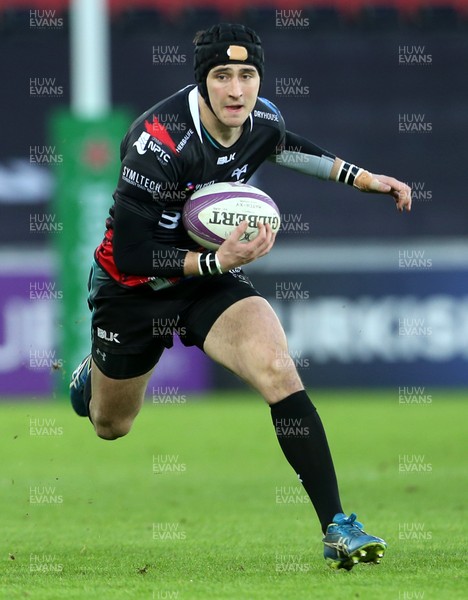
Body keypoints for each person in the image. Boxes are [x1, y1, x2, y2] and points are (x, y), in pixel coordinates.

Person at [70, 23, 411, 570]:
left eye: (247, 75)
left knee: (278, 369)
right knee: (112, 425)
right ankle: (93, 378)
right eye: (222, 76)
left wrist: (365, 179)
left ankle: (337, 526)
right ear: (202, 83)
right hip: (133, 289)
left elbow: (288, 148)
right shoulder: (156, 140)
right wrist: (215, 259)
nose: (236, 90)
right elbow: (131, 253)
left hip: (208, 279)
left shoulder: (262, 120)